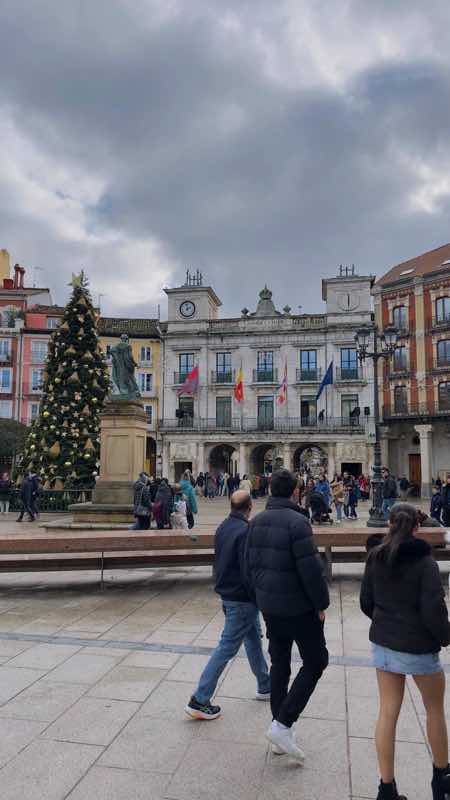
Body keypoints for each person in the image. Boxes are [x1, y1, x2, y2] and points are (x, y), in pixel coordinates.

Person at [360, 503, 450, 800]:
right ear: (416, 528)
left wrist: (386, 622)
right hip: (418, 646)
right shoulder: (425, 564)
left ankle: (386, 788)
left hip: (384, 643)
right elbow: (433, 612)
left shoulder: (376, 556)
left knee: (387, 712)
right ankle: (442, 779)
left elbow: (366, 602)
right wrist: (445, 637)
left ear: (389, 524)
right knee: (434, 710)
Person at [247, 469, 329, 762]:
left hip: (270, 607)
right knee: (317, 660)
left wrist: (261, 596)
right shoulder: (298, 523)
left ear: (270, 488)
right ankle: (283, 724)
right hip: (299, 608)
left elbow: (249, 567)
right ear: (295, 491)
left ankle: (278, 730)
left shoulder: (255, 522)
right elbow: (311, 570)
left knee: (280, 663)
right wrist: (321, 603)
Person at [185, 490, 270, 720]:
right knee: (227, 647)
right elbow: (247, 569)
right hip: (241, 597)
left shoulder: (224, 526)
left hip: (228, 593)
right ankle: (199, 699)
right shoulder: (245, 530)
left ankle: (265, 685)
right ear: (250, 507)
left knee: (253, 639)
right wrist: (258, 595)